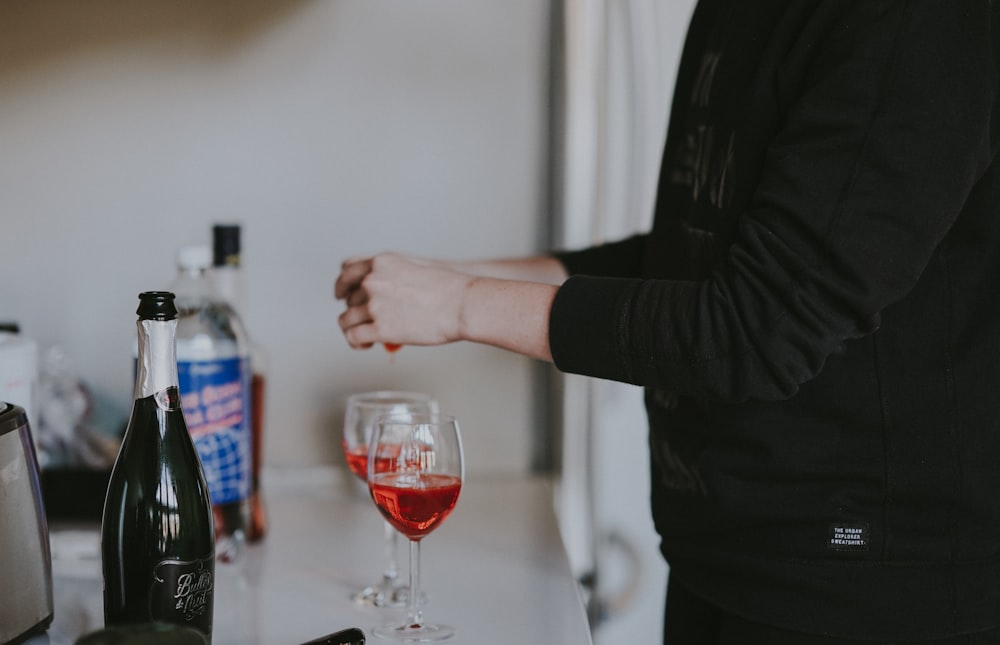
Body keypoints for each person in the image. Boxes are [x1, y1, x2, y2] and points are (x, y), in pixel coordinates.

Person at [335, 1, 1000, 642]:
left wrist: (462, 302)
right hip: (721, 550)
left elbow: (757, 326)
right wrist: (449, 279)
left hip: (864, 594)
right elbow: (691, 259)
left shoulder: (916, 18)